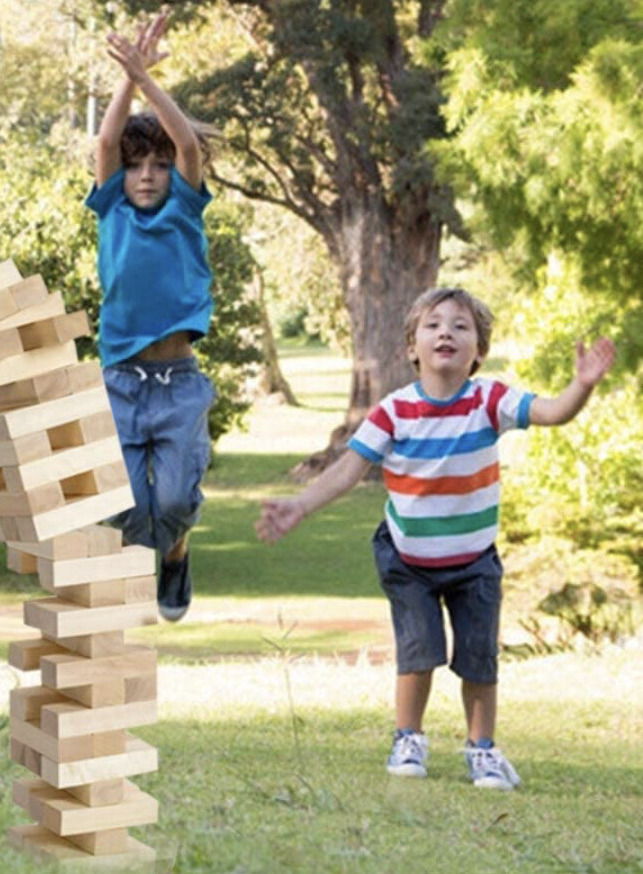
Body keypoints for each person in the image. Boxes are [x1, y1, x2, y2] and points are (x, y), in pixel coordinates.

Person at [256, 287, 615, 789]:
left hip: (474, 559)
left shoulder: (490, 400)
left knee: (479, 658)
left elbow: (553, 411)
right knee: (419, 649)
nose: (446, 331)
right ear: (411, 347)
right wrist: (299, 506)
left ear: (478, 351)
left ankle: (483, 751)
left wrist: (582, 386)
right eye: (434, 324)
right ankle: (409, 739)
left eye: (461, 326)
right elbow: (347, 471)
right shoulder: (394, 412)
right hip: (409, 558)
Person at [86, 12, 216, 622]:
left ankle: (179, 553)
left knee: (174, 499)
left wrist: (148, 79)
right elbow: (106, 144)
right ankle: (156, 552)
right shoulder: (111, 208)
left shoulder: (185, 210)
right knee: (125, 506)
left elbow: (187, 143)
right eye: (139, 166)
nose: (146, 175)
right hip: (120, 380)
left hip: (179, 381)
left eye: (157, 166)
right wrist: (127, 82)